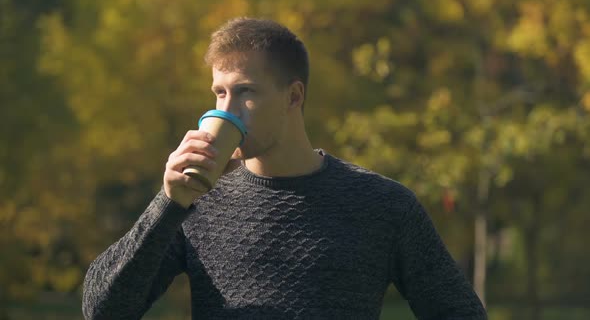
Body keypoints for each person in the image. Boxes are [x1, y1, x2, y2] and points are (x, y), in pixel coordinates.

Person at [82, 17, 487, 320]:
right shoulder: (195, 205)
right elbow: (102, 310)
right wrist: (168, 203)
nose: (225, 111)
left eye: (245, 92)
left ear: (294, 96)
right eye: (219, 93)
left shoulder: (383, 205)